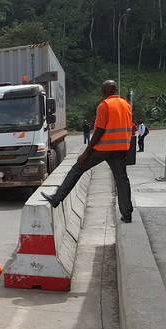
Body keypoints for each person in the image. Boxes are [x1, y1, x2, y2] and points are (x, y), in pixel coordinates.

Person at [41, 80, 134, 223]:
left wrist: (86, 153)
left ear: (103, 91)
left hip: (104, 147)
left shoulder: (104, 105)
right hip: (121, 148)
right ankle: (127, 215)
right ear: (115, 91)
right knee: (122, 180)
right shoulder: (126, 105)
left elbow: (99, 131)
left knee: (78, 168)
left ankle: (56, 199)